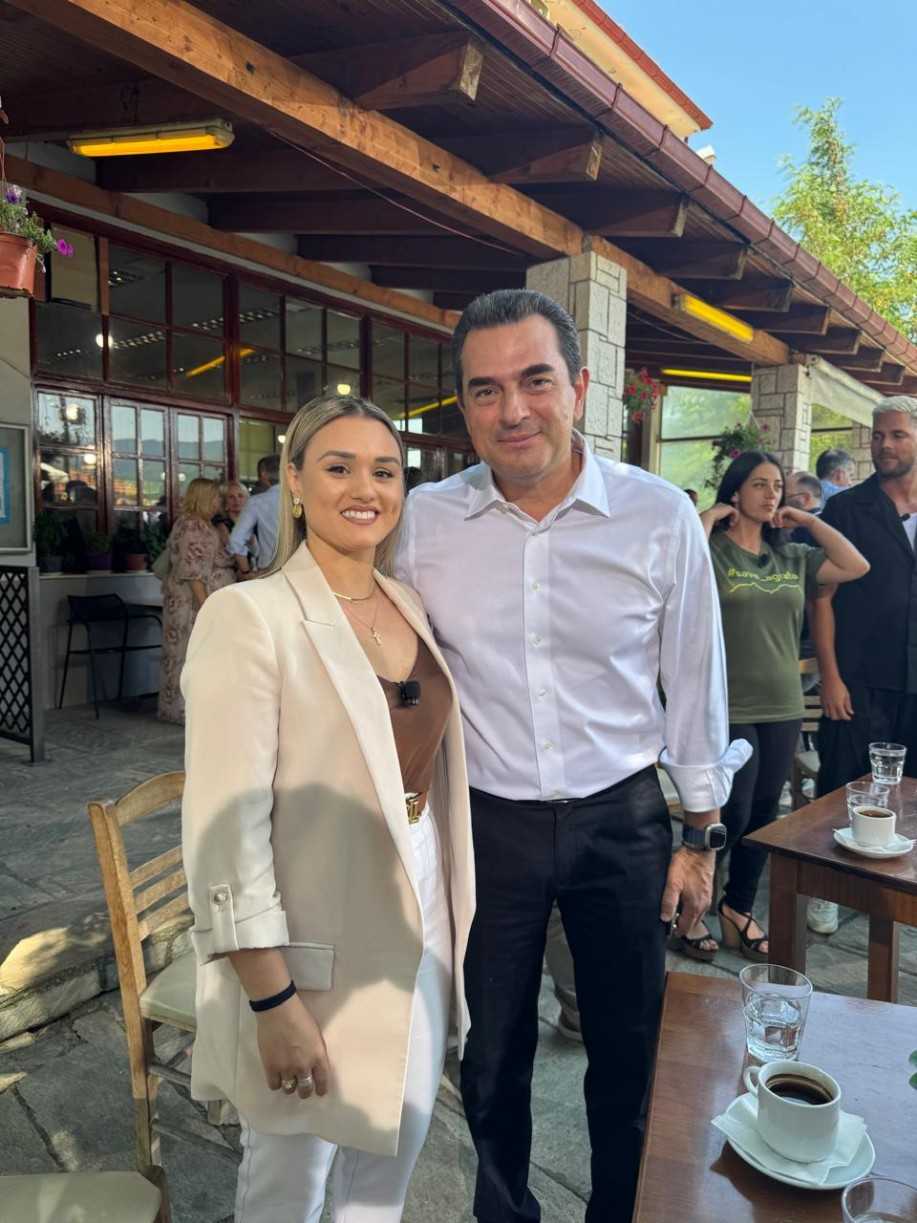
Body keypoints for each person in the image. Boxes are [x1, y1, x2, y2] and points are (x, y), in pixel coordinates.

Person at [395, 288, 751, 1223]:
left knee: (630, 1051)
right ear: (462, 403)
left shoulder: (656, 514)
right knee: (489, 1054)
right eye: (485, 389)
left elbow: (694, 680)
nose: (512, 409)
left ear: (580, 387)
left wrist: (700, 837)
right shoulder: (424, 522)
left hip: (620, 818)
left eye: (535, 381)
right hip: (487, 824)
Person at [181, 395, 475, 1223]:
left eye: (384, 470)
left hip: (420, 917)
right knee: (291, 1177)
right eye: (338, 467)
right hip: (310, 941)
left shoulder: (407, 603)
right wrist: (272, 999)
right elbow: (225, 828)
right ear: (295, 482)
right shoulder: (250, 616)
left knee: (391, 1153)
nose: (365, 488)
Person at [694, 452, 868, 961]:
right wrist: (711, 516)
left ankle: (737, 907)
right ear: (735, 491)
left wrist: (809, 521)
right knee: (733, 808)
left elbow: (856, 565)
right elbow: (675, 561)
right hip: (728, 701)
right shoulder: (714, 550)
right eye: (759, 484)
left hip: (783, 702)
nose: (771, 494)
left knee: (766, 813)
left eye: (777, 487)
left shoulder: (793, 557)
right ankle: (692, 903)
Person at [809, 396, 917, 934]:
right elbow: (821, 598)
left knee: (910, 793)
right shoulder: (847, 510)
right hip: (858, 677)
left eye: (897, 435)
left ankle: (897, 888)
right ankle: (825, 888)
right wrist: (829, 676)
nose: (884, 445)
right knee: (841, 785)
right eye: (877, 435)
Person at [158, 478, 226, 723]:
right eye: (216, 497)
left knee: (192, 654)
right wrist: (206, 605)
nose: (219, 503)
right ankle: (181, 710)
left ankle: (192, 708)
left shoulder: (202, 524)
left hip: (194, 600)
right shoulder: (192, 526)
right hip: (190, 603)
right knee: (186, 653)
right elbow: (192, 571)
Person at [230, 455, 281, 575]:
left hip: (270, 569)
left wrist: (246, 572)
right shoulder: (304, 497)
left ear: (263, 474)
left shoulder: (256, 502)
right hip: (305, 569)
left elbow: (236, 540)